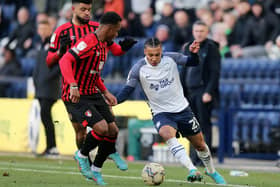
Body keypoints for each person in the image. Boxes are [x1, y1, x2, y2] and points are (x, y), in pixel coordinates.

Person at [115, 37, 226, 184]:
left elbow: (193, 62)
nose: (154, 58)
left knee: (200, 144)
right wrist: (114, 101)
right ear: (145, 53)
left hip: (182, 109)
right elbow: (127, 90)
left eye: (157, 54)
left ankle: (211, 171)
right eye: (150, 55)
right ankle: (192, 169)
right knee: (167, 134)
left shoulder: (171, 58)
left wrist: (193, 54)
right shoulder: (138, 69)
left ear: (162, 51)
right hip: (161, 113)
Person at [46, 0, 136, 170]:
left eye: (89, 9)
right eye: (83, 9)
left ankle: (107, 151)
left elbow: (113, 49)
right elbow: (49, 61)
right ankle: (84, 158)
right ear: (73, 9)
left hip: (93, 84)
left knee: (109, 123)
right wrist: (60, 52)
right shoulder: (61, 31)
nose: (87, 13)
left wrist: (123, 48)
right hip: (72, 88)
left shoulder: (97, 27)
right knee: (80, 130)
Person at [180, 21, 221, 166]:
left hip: (203, 92)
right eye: (196, 30)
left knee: (204, 125)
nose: (199, 33)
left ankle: (205, 159)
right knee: (192, 127)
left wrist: (209, 91)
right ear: (193, 31)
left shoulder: (211, 48)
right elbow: (183, 71)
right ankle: (194, 157)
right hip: (189, 93)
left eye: (202, 31)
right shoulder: (188, 47)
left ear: (207, 31)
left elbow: (215, 72)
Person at [33, 20, 60, 157]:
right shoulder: (40, 45)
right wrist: (36, 80)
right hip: (41, 88)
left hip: (50, 88)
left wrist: (47, 77)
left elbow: (60, 64)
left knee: (45, 114)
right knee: (45, 116)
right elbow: (38, 67)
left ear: (50, 30)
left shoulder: (54, 45)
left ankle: (52, 146)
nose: (42, 31)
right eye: (41, 28)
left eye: (45, 28)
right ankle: (50, 146)